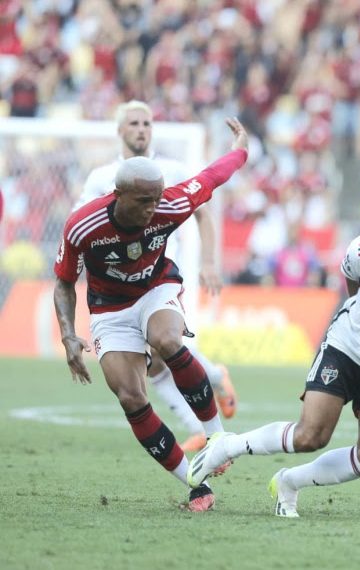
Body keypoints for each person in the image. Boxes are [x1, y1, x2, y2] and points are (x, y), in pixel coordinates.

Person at [186, 192, 360, 518]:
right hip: (345, 349)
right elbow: (350, 277)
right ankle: (227, 446)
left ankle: (290, 482)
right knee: (310, 436)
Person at [53, 117, 249, 512]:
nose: (153, 209)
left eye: (157, 199)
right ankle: (196, 482)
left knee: (167, 341)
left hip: (155, 288)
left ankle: (216, 437)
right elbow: (62, 282)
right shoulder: (82, 226)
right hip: (109, 308)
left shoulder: (170, 203)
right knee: (130, 396)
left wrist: (240, 147)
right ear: (118, 195)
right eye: (144, 201)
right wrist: (68, 335)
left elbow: (213, 176)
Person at [76, 100, 238, 452]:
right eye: (133, 123)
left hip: (162, 277)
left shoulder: (172, 169)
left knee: (166, 346)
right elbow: (82, 227)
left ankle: (206, 413)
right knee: (153, 362)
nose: (141, 129)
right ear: (120, 130)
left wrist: (208, 261)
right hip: (120, 285)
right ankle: (207, 401)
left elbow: (203, 214)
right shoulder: (101, 178)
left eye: (147, 123)